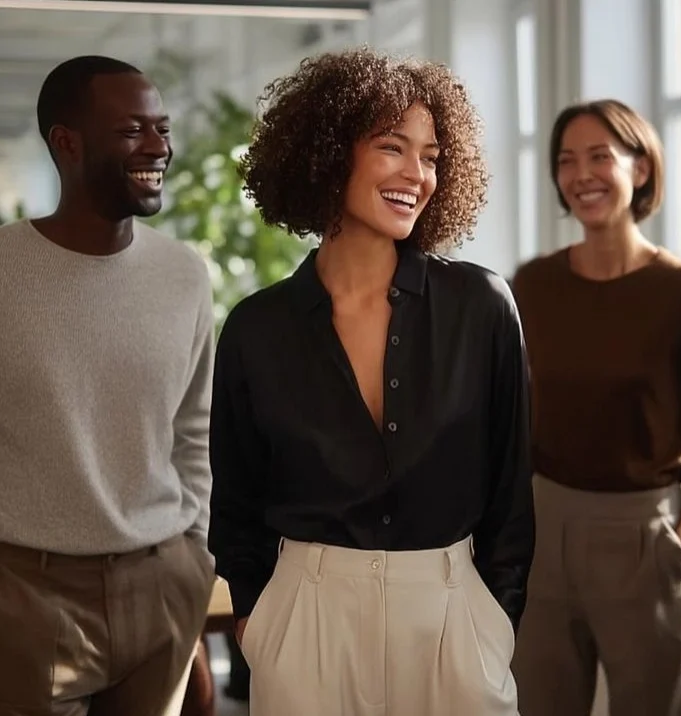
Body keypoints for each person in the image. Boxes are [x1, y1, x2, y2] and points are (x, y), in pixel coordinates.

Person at [208, 47, 534, 716]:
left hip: (450, 612)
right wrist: (257, 621)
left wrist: (493, 626)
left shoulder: (481, 306)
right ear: (329, 155)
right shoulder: (255, 328)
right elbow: (235, 500)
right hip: (309, 618)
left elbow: (510, 494)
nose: (417, 174)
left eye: (432, 156)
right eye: (393, 147)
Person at [0, 55, 215, 715]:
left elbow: (193, 429)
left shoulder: (184, 275)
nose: (159, 147)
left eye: (162, 128)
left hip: (161, 587)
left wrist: (193, 553)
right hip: (23, 598)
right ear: (66, 142)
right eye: (133, 130)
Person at [509, 99, 681, 716]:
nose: (581, 174)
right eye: (566, 161)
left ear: (640, 169)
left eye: (599, 157)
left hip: (645, 531)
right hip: (543, 525)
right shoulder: (529, 286)